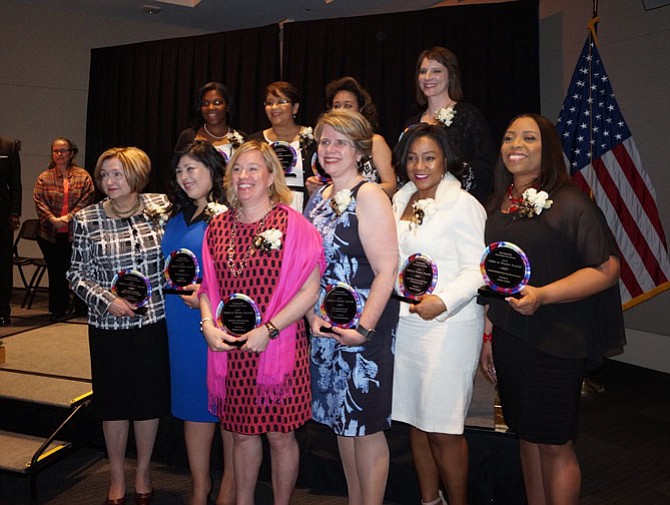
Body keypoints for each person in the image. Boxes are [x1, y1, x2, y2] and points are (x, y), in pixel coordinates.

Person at [479, 114, 625, 505]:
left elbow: (608, 267)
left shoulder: (569, 202)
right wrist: (489, 335)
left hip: (557, 339)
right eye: (509, 137)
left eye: (528, 138)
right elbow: (495, 280)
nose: (516, 145)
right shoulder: (498, 204)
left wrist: (543, 295)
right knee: (525, 433)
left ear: (548, 150)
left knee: (554, 443)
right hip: (510, 337)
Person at [198, 139, 324, 505]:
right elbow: (207, 286)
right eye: (237, 169)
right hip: (232, 348)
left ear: (271, 176)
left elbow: (310, 290)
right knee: (240, 435)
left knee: (280, 436)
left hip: (278, 345)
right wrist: (207, 324)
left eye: (253, 168)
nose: (243, 176)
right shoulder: (218, 226)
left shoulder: (293, 224)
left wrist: (268, 330)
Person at [305, 110, 399, 505]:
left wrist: (364, 328)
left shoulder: (370, 194)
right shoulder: (318, 197)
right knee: (342, 425)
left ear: (360, 149)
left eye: (340, 142)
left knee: (366, 426)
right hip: (325, 327)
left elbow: (387, 268)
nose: (330, 149)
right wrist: (311, 316)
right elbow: (308, 267)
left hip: (363, 330)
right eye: (325, 141)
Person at [67, 147, 171, 505]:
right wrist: (106, 299)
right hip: (107, 325)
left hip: (152, 321)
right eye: (105, 175)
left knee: (147, 401)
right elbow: (75, 274)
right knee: (113, 403)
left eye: (117, 174)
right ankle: (115, 475)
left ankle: (143, 471)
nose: (109, 182)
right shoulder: (86, 218)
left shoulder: (161, 207)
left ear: (137, 175)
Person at [391, 124, 486, 505]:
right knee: (417, 420)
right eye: (412, 157)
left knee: (444, 428)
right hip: (407, 324)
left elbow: (479, 269)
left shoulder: (463, 204)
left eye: (429, 157)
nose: (420, 165)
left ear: (446, 159)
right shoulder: (399, 199)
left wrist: (443, 301)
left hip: (449, 328)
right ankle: (430, 501)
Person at [162, 140, 234, 505]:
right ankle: (199, 485)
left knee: (229, 409)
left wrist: (208, 296)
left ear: (212, 170)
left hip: (216, 322)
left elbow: (241, 277)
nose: (185, 176)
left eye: (192, 168)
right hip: (179, 322)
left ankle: (230, 487)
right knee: (194, 405)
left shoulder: (230, 215)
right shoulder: (174, 217)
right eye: (179, 170)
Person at [404, 46, 497, 204]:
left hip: (459, 205)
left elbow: (486, 167)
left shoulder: (468, 115)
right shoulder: (412, 124)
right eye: (423, 71)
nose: (428, 77)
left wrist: (450, 171)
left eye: (436, 71)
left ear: (450, 76)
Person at [34, 137, 94, 320]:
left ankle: (81, 308)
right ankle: (57, 309)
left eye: (63, 151)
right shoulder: (44, 177)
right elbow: (39, 200)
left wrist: (69, 217)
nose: (60, 154)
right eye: (56, 151)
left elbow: (88, 198)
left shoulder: (83, 176)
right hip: (50, 233)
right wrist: (53, 219)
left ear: (71, 153)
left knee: (77, 270)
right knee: (56, 271)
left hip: (75, 233)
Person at [305, 76, 396, 197]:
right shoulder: (327, 144)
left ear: (360, 109)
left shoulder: (375, 142)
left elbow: (391, 187)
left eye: (348, 106)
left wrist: (353, 192)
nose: (342, 111)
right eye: (337, 106)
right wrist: (319, 188)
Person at [248, 81, 316, 212]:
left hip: (304, 209)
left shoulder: (314, 140)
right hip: (264, 209)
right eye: (269, 103)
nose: (274, 107)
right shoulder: (255, 141)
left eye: (281, 102)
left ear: (295, 107)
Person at [174, 81, 246, 163]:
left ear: (227, 106)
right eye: (205, 103)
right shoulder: (188, 136)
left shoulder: (242, 138)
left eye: (217, 102)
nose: (211, 107)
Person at [0, 136, 22, 327]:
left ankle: (2, 311)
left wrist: (15, 213)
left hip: (2, 215)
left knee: (3, 265)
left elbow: (16, 183)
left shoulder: (8, 146)